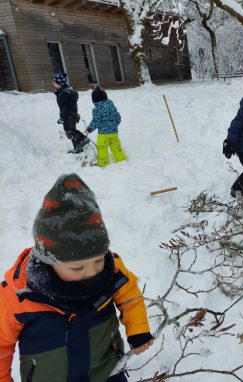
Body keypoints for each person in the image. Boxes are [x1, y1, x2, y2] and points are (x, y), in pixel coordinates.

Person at [0, 173, 154, 382]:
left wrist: (138, 328)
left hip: (106, 372)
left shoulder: (111, 269)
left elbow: (130, 294)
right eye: (78, 267)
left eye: (98, 261)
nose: (91, 272)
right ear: (49, 261)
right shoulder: (20, 292)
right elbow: (2, 342)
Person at [83, 86, 127, 167]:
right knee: (116, 146)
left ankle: (103, 163)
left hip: (103, 134)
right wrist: (114, 125)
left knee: (102, 148)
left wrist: (88, 130)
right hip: (114, 132)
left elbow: (96, 121)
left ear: (95, 100)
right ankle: (122, 160)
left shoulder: (97, 109)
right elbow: (118, 117)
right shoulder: (111, 105)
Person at [52, 73, 88, 154]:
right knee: (72, 130)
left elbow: (63, 108)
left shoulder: (63, 94)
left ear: (59, 84)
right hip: (73, 114)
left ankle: (78, 147)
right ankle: (83, 140)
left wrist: (62, 118)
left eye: (54, 83)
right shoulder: (69, 91)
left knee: (70, 132)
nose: (53, 84)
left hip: (68, 116)